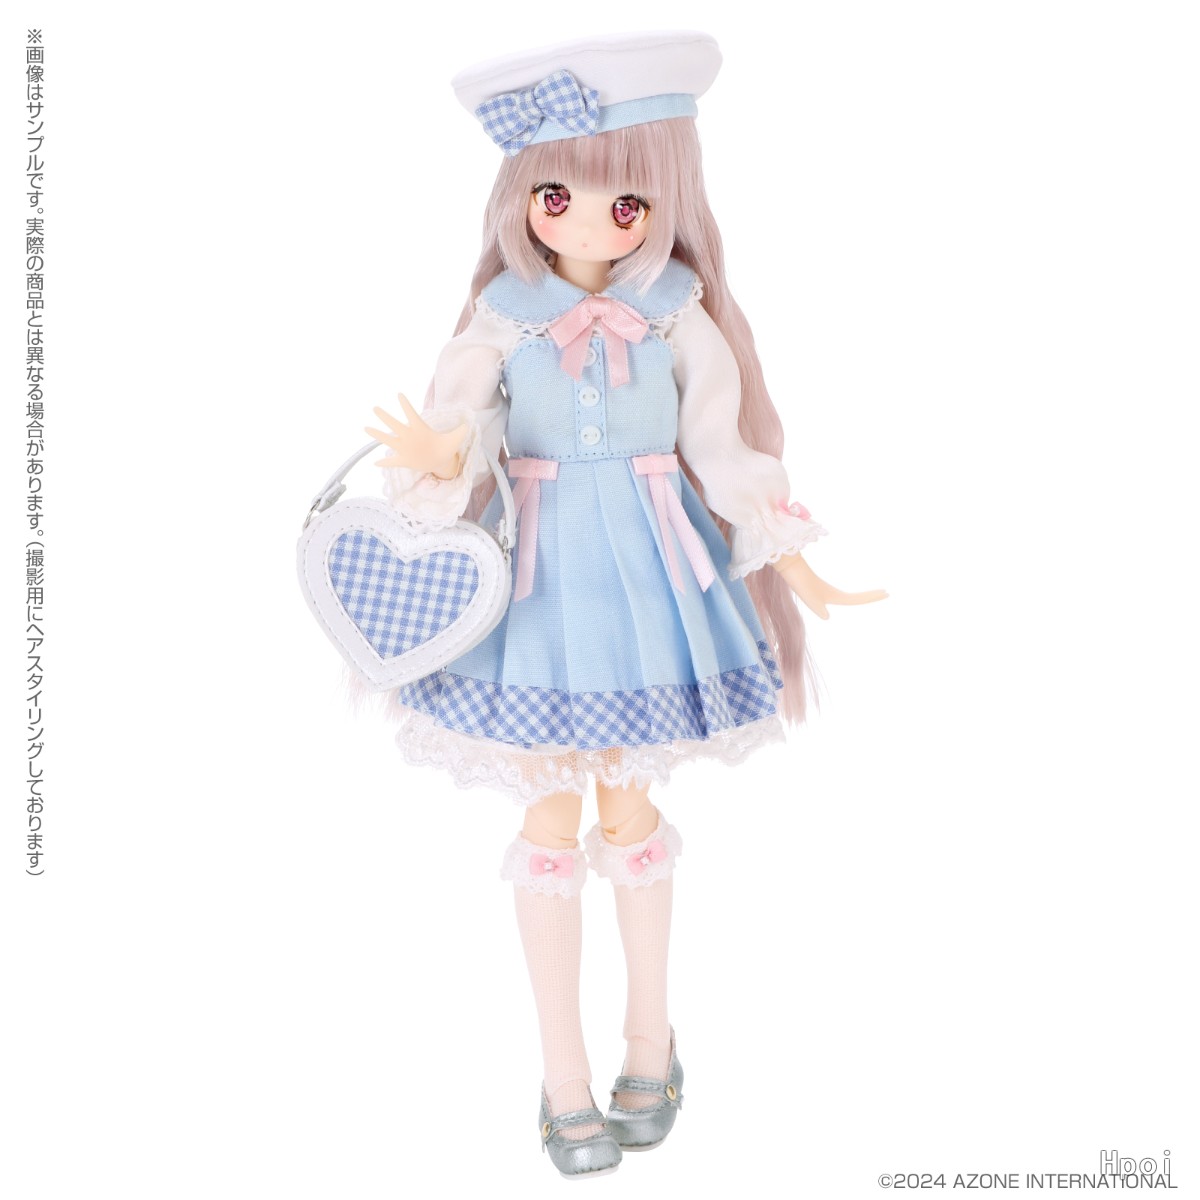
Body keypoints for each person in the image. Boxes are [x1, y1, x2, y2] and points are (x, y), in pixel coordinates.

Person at [364, 31, 885, 1179]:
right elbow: (458, 430)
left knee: (633, 819)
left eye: (628, 204)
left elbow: (720, 444)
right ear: (523, 199)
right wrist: (439, 458)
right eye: (559, 198)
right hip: (541, 592)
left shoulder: (678, 313)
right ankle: (564, 1077)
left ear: (663, 204)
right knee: (549, 828)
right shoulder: (502, 318)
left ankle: (652, 1043)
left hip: (649, 583)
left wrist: (785, 551)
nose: (595, 225)